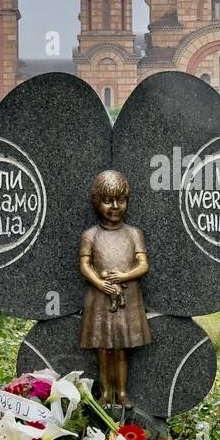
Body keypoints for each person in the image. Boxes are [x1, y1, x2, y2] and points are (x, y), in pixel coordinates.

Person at [79, 170, 150, 411]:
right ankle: (105, 391)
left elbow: (143, 265)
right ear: (96, 202)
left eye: (121, 200)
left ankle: (121, 392)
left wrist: (123, 276)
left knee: (121, 349)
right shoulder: (90, 235)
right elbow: (85, 265)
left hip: (127, 299)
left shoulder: (133, 234)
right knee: (102, 349)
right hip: (100, 299)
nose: (115, 206)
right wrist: (100, 283)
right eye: (107, 201)